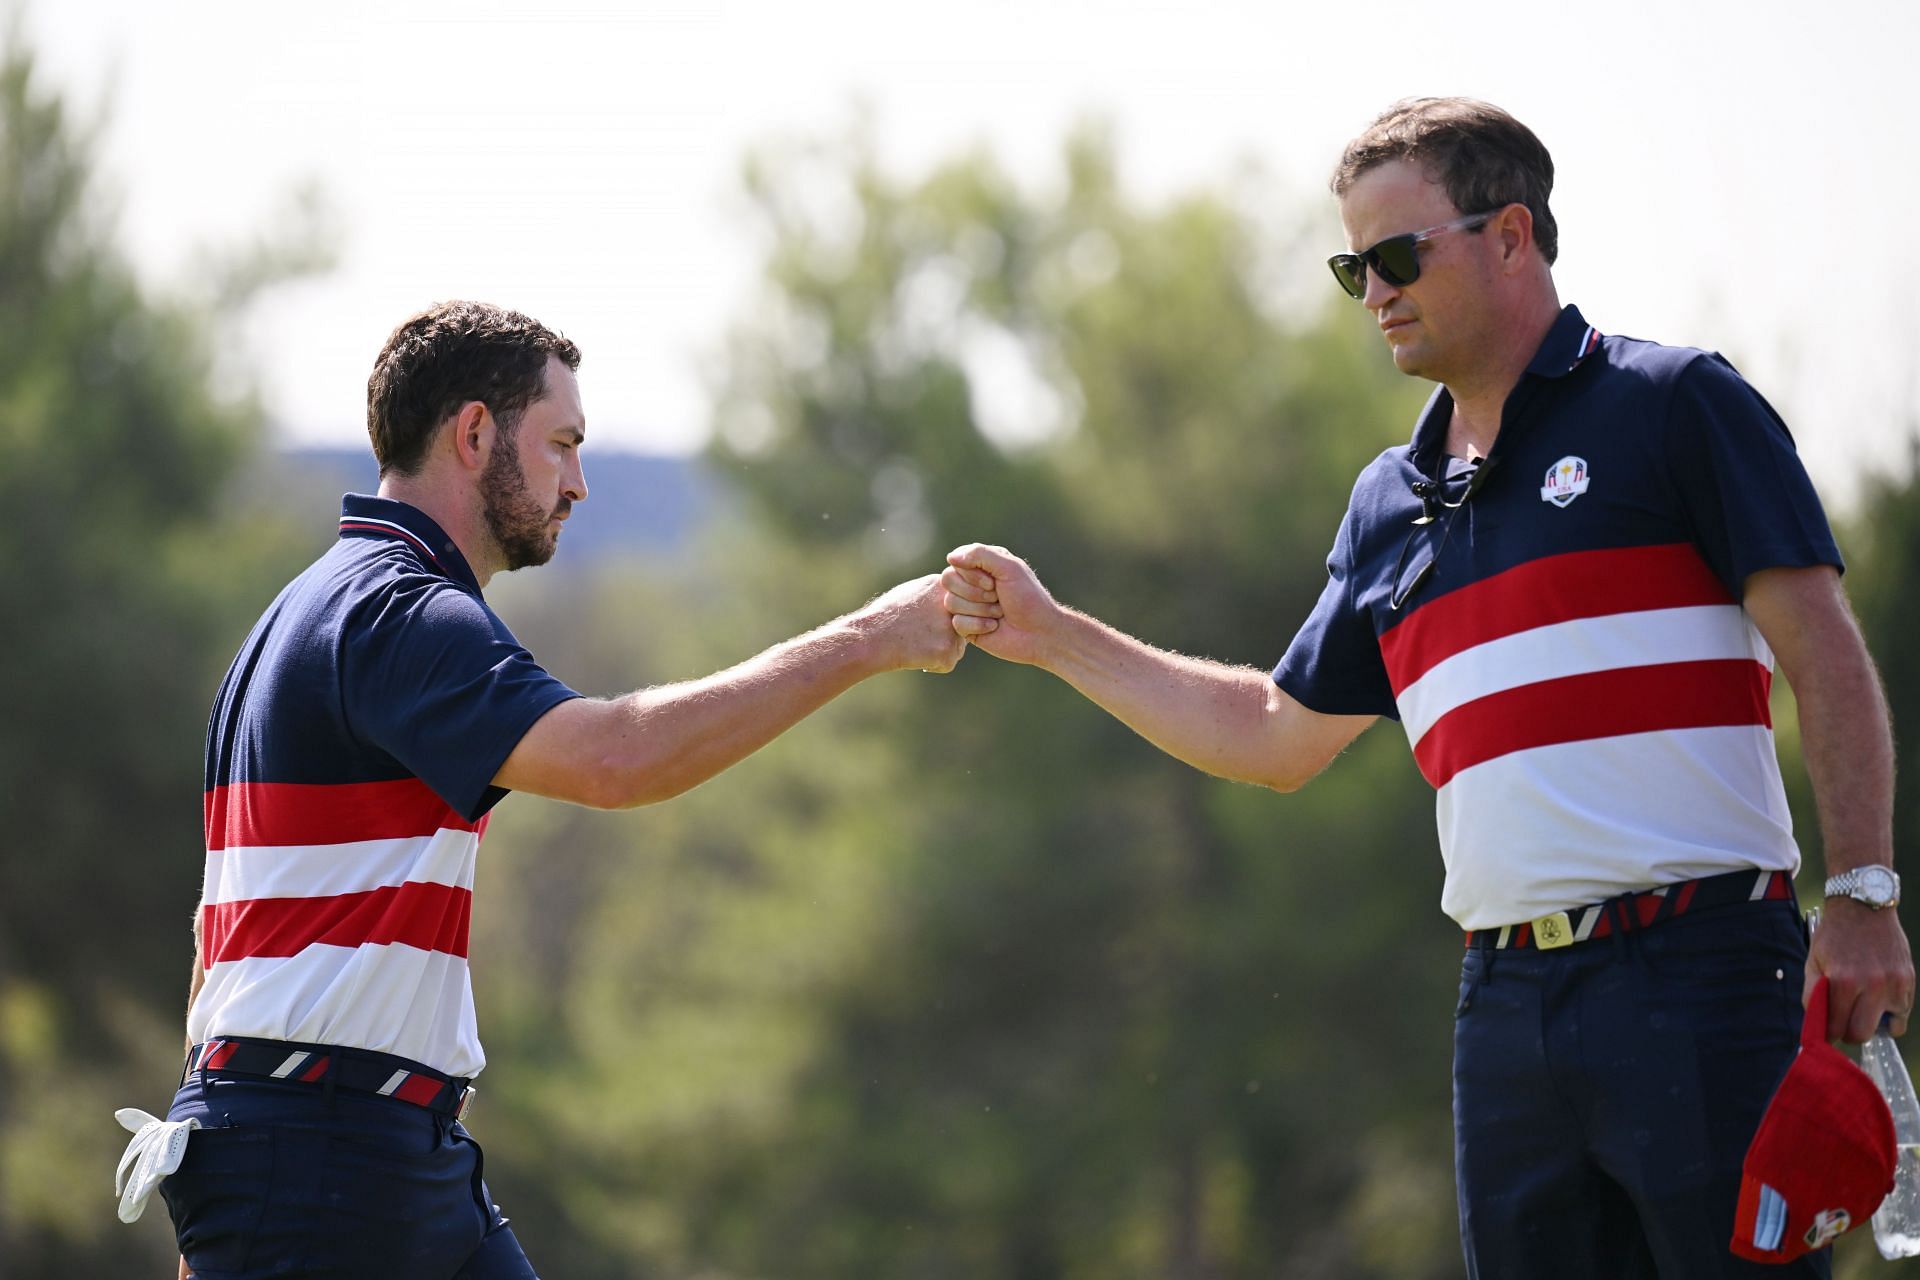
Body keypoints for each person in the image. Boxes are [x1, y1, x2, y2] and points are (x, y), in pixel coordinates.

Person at [940, 97, 1914, 1278]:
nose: (1375, 294)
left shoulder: (1675, 403)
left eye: (1399, 256)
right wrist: (1051, 635)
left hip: (1702, 972)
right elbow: (1272, 734)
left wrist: (1862, 890)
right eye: (1355, 266)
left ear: (1511, 236)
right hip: (1503, 1003)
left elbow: (1824, 648)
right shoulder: (1386, 501)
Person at [141, 301, 967, 1279]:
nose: (577, 482)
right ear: (474, 431)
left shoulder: (301, 612)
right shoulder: (403, 609)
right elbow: (616, 756)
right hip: (323, 1156)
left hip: (364, 1148)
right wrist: (869, 638)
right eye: (562, 444)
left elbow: (218, 938)